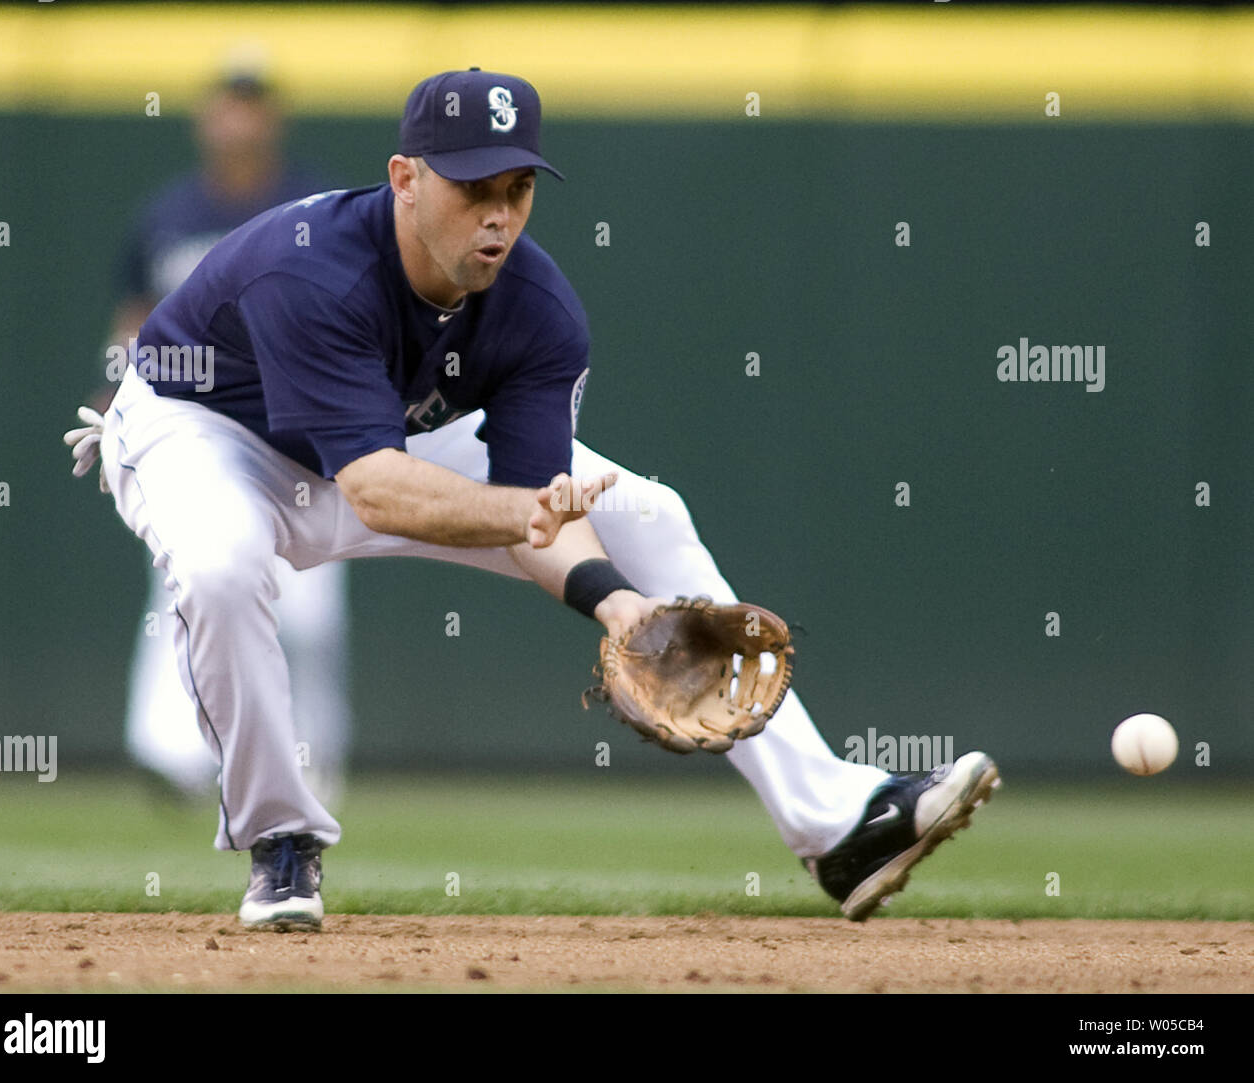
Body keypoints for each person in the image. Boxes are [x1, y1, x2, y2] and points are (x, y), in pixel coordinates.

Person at [70, 68, 998, 930]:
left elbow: (539, 505)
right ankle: (281, 840)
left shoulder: (538, 311)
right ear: (404, 177)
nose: (498, 216)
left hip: (374, 438)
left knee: (648, 518)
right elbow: (385, 494)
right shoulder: (310, 268)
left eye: (516, 190)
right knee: (221, 565)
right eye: (473, 187)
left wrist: (617, 599)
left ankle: (838, 825)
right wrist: (529, 517)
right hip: (206, 431)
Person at [104, 57, 350, 806]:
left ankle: (313, 758)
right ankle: (172, 754)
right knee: (183, 586)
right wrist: (124, 395)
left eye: (253, 105)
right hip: (193, 429)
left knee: (305, 618)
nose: (240, 119)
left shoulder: (312, 206)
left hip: (295, 429)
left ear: (273, 118)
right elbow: (132, 318)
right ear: (206, 117)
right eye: (228, 104)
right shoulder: (165, 216)